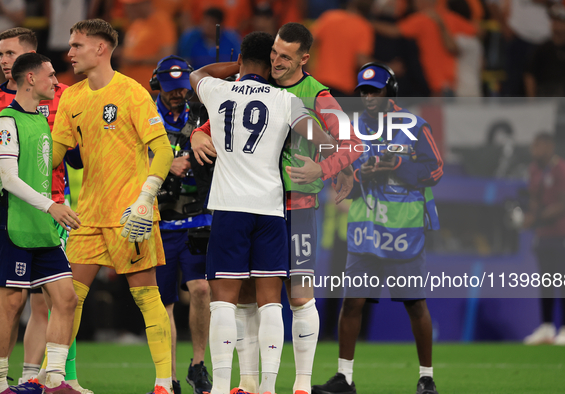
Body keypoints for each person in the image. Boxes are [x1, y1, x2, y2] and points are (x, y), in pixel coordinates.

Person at [190, 22, 362, 394]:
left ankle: (300, 384)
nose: (278, 61)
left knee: (298, 295)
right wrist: (196, 133)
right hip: (266, 206)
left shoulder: (317, 94)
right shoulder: (273, 95)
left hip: (295, 206)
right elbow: (214, 125)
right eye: (273, 54)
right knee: (249, 296)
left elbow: (351, 141)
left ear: (304, 58)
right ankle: (250, 383)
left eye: (285, 56)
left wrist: (327, 167)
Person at [49, 19, 174, 394]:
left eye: (77, 46)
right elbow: (55, 156)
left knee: (146, 296)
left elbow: (164, 151)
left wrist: (144, 200)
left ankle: (163, 385)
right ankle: (61, 379)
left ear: (100, 48)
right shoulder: (70, 97)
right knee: (68, 299)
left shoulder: (132, 92)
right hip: (86, 216)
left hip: (129, 215)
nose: (69, 53)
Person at [312, 63, 444, 394]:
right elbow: (344, 183)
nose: (369, 97)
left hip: (405, 230)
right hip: (365, 230)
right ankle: (345, 378)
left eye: (376, 91)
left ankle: (426, 378)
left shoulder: (414, 125)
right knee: (352, 302)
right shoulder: (352, 129)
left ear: (390, 92)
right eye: (364, 92)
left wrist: (399, 165)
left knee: (415, 304)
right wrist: (362, 175)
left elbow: (436, 170)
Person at [0, 27, 89, 394]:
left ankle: (51, 379)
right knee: (12, 304)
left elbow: (73, 160)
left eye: (8, 54)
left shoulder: (41, 116)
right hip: (17, 222)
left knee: (65, 299)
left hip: (48, 221)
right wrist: (52, 205)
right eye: (52, 75)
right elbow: (6, 177)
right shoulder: (7, 121)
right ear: (32, 77)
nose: (58, 80)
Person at [150, 54, 213, 394]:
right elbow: (128, 156)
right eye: (171, 88)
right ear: (158, 85)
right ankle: (168, 377)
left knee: (201, 289)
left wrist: (203, 153)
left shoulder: (204, 113)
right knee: (164, 302)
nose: (177, 94)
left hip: (199, 216)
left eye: (182, 88)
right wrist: (163, 163)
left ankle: (198, 364)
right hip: (159, 219)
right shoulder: (143, 115)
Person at [522, 133, 565, 345]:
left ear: (549, 147)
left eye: (538, 145)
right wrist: (526, 216)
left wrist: (536, 217)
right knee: (546, 281)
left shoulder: (562, 169)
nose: (534, 150)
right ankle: (547, 327)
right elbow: (534, 200)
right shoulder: (534, 170)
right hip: (544, 234)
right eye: (533, 145)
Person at [372, 0, 477, 96]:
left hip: (436, 84)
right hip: (452, 81)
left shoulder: (422, 18)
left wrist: (367, 22)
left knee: (435, 116)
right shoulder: (450, 17)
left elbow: (394, 31)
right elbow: (477, 31)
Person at [310, 0, 375, 96]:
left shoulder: (329, 17)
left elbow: (307, 43)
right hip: (344, 87)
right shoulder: (364, 27)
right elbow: (361, 60)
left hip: (319, 81)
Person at [524, 5, 565, 97]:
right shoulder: (542, 48)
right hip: (547, 100)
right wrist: (531, 101)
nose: (556, 24)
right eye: (554, 20)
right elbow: (530, 74)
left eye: (559, 21)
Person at [119, 0, 176, 91]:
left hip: (149, 90)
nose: (128, 9)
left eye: (133, 6)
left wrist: (135, 61)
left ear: (145, 3)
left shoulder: (161, 22)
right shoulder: (135, 23)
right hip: (129, 88)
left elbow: (166, 57)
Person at [177, 8, 242, 69]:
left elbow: (240, 63)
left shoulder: (232, 39)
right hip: (196, 78)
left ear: (220, 25)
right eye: (205, 21)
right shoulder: (189, 38)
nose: (207, 25)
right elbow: (183, 64)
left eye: (211, 23)